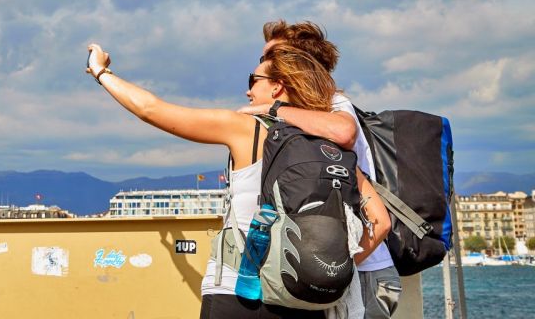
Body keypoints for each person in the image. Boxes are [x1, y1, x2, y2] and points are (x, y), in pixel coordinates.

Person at [86, 40, 389, 319]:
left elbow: (151, 109)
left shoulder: (246, 128)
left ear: (277, 88)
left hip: (237, 293)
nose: (247, 91)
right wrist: (320, 270)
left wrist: (102, 72)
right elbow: (381, 222)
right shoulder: (328, 148)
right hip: (304, 297)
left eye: (253, 81)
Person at [238, 21, 401, 319]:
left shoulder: (332, 103)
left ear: (296, 62)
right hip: (329, 269)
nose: (264, 65)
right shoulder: (307, 110)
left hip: (362, 272)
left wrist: (273, 109)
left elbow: (343, 133)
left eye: (268, 58)